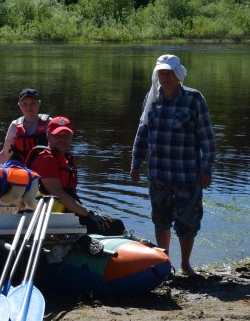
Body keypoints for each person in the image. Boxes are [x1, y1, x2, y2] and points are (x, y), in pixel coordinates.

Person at [130, 54, 216, 277]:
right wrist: (135, 163)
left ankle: (186, 264)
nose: (164, 77)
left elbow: (207, 138)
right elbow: (142, 132)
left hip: (187, 175)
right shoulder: (151, 99)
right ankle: (164, 263)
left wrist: (206, 169)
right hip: (158, 174)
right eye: (161, 73)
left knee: (188, 222)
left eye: (169, 73)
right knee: (161, 220)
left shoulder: (194, 99)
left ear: (178, 74)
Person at [27, 117, 125, 235]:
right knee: (116, 225)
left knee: (112, 223)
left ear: (71, 138)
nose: (62, 139)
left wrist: (89, 213)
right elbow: (57, 194)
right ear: (48, 136)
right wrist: (89, 213)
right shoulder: (45, 159)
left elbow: (71, 194)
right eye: (57, 136)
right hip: (51, 216)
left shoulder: (68, 159)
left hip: (67, 212)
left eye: (65, 135)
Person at [0, 88, 51, 166]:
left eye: (33, 103)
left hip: (44, 168)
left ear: (39, 104)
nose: (29, 107)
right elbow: (5, 153)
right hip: (22, 170)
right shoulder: (15, 125)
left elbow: (58, 149)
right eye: (25, 103)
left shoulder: (48, 123)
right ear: (19, 105)